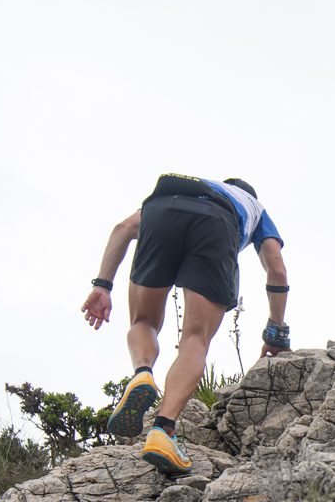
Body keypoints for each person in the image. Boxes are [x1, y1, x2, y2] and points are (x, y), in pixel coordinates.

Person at [80, 173, 292, 477]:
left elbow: (123, 228)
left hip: (162, 209)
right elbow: (277, 268)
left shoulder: (195, 186)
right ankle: (163, 431)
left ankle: (142, 372)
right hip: (217, 224)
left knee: (143, 321)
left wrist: (102, 286)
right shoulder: (253, 207)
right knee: (195, 339)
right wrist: (276, 331)